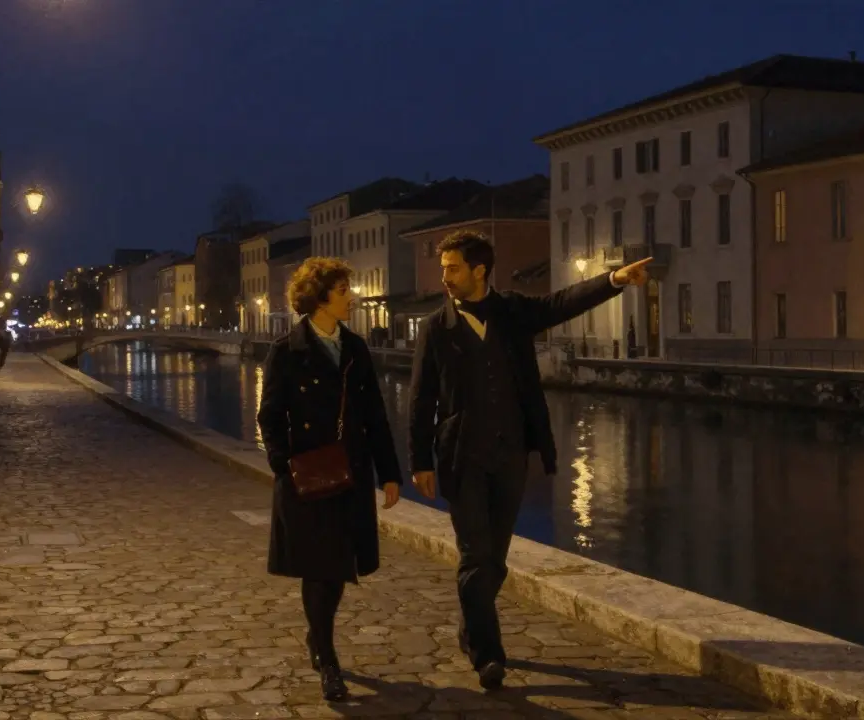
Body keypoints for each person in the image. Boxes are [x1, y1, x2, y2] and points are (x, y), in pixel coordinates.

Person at [407, 231, 651, 689]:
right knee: (475, 554)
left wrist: (614, 279)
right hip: (461, 457)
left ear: (479, 270)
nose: (445, 277)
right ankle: (488, 655)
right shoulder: (435, 329)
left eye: (453, 268)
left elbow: (562, 303)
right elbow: (421, 399)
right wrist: (419, 460)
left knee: (495, 559)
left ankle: (470, 627)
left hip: (511, 453)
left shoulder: (513, 312)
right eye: (444, 269)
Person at [256, 257, 403, 702]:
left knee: (338, 566)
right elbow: (269, 415)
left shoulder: (355, 348)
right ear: (320, 297)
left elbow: (375, 414)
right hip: (307, 476)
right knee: (319, 568)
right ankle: (328, 656)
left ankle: (318, 638)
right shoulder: (285, 350)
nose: (351, 297)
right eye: (343, 290)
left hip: (350, 473)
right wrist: (285, 465)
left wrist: (390, 473)